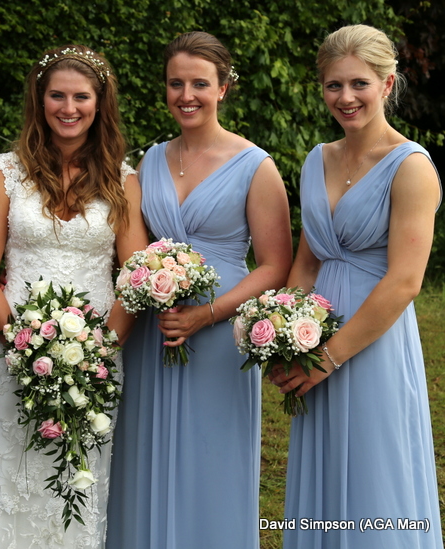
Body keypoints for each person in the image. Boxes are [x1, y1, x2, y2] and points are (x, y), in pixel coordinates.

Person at [106, 32, 292, 548]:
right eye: (175, 83)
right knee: (145, 450)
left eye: (200, 84)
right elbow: (135, 249)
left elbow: (275, 266)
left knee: (212, 452)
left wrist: (204, 315)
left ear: (224, 88)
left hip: (220, 330)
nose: (186, 95)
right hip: (156, 330)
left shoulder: (256, 165)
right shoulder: (150, 161)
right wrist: (151, 289)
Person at [269, 24, 443, 548]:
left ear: (388, 83)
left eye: (359, 84)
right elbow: (306, 259)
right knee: (323, 475)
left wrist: (330, 357)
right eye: (333, 85)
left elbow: (405, 282)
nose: (346, 98)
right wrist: (285, 334)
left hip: (372, 343)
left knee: (375, 473)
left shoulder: (411, 167)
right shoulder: (316, 159)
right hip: (313, 336)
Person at [0, 45, 148, 548]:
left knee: (79, 476)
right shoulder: (5, 172)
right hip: (12, 350)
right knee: (16, 472)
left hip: (96, 354)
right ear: (40, 99)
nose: (68, 108)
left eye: (80, 97)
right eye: (57, 96)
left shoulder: (122, 177)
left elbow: (134, 276)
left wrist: (101, 352)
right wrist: (20, 345)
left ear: (100, 103)